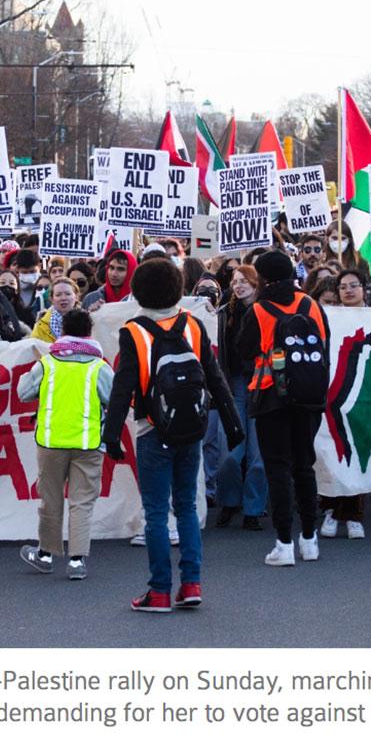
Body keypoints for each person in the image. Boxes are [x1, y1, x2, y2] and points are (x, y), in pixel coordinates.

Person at [103, 257, 241, 611]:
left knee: (155, 512)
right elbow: (215, 377)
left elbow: (123, 387)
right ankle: (191, 584)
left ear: (138, 291)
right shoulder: (193, 325)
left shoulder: (134, 331)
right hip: (190, 429)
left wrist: (112, 434)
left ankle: (160, 589)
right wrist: (233, 424)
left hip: (153, 429)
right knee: (186, 507)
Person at [237, 249, 330, 566]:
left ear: (262, 279)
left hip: (270, 396)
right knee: (304, 465)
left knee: (278, 468)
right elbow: (324, 340)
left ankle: (283, 543)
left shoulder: (260, 310)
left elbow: (244, 350)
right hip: (309, 394)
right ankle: (309, 538)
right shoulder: (311, 305)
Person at [17, 307, 113, 580]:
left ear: (62, 332)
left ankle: (46, 554)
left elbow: (23, 392)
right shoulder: (99, 367)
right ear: (89, 333)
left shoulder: (48, 363)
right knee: (82, 503)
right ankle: (76, 562)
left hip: (51, 441)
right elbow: (114, 397)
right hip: (89, 443)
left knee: (51, 499)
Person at [214, 264, 268, 532]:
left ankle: (254, 509)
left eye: (244, 280)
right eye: (235, 281)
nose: (238, 285)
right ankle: (230, 501)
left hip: (262, 385)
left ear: (256, 284)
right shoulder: (225, 314)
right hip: (234, 385)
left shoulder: (268, 312)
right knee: (231, 453)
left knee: (258, 454)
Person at [319, 268, 369, 540]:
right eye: (343, 287)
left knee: (359, 452)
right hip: (332, 390)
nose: (348, 290)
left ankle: (354, 514)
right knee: (333, 449)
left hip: (365, 392)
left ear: (364, 288)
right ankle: (330, 509)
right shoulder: (330, 319)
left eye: (354, 285)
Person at [32, 277, 79, 343]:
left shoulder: (86, 321)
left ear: (76, 297)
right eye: (58, 295)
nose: (63, 298)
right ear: (51, 299)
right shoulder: (41, 326)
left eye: (68, 294)